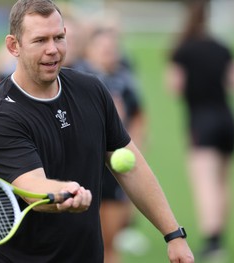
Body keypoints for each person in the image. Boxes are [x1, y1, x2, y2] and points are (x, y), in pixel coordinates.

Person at [0, 1, 194, 262]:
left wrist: (173, 234)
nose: (53, 50)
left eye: (59, 37)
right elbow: (32, 186)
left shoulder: (91, 90)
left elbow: (131, 166)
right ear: (14, 46)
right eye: (40, 40)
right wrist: (65, 192)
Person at [165, 0, 234, 261]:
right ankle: (220, 238)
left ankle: (212, 243)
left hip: (202, 120)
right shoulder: (222, 47)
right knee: (223, 181)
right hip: (228, 120)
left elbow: (174, 86)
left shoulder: (182, 50)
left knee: (205, 183)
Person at [81, 24, 147, 262]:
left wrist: (136, 147)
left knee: (109, 240)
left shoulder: (125, 80)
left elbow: (139, 115)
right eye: (103, 48)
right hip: (82, 167)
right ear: (89, 49)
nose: (109, 52)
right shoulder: (76, 77)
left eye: (113, 48)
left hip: (114, 166)